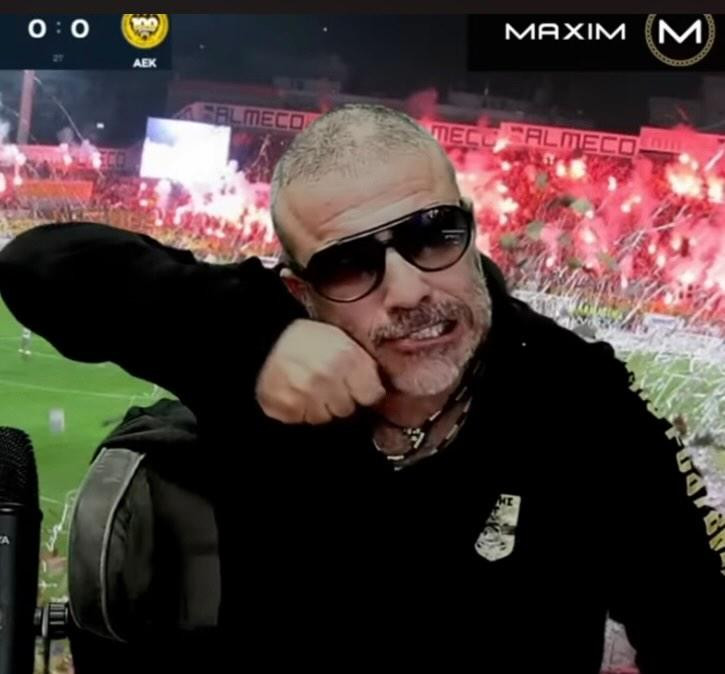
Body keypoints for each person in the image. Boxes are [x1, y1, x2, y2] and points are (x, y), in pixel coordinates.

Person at [1, 104, 724, 673]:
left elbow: (697, 621)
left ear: (472, 231)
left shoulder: (579, 400)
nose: (408, 290)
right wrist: (254, 340)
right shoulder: (255, 339)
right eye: (348, 265)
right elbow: (37, 264)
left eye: (433, 234)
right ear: (303, 292)